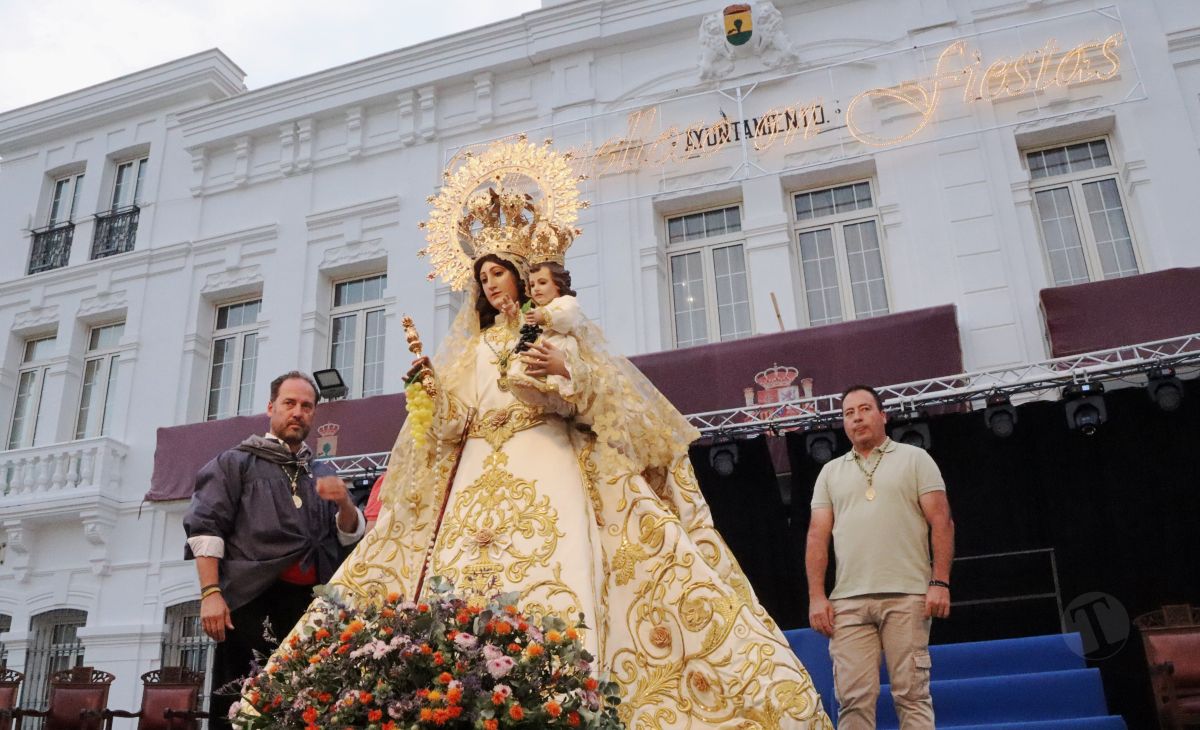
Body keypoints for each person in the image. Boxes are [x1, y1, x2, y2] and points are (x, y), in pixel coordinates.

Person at [277, 139, 832, 728]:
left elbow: (601, 392)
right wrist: (432, 394)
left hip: (548, 455)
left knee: (567, 569)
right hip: (473, 478)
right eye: (482, 276)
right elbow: (450, 427)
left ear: (520, 275)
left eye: (499, 273)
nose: (490, 284)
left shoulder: (555, 329)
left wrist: (562, 374)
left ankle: (567, 693)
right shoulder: (471, 351)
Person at [183, 371, 365, 729]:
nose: (298, 412)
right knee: (243, 708)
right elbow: (206, 528)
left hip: (307, 613)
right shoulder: (236, 462)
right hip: (251, 606)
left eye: (307, 406)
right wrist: (210, 593)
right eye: (290, 403)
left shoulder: (319, 472)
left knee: (305, 711)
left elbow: (347, 537)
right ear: (271, 407)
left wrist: (344, 501)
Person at [805, 384, 955, 730]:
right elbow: (817, 535)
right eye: (848, 413)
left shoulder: (915, 459)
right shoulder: (830, 472)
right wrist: (816, 596)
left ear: (882, 415)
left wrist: (939, 582)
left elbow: (942, 521)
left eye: (864, 409)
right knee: (853, 700)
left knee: (912, 695)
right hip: (848, 603)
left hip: (908, 595)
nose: (857, 418)